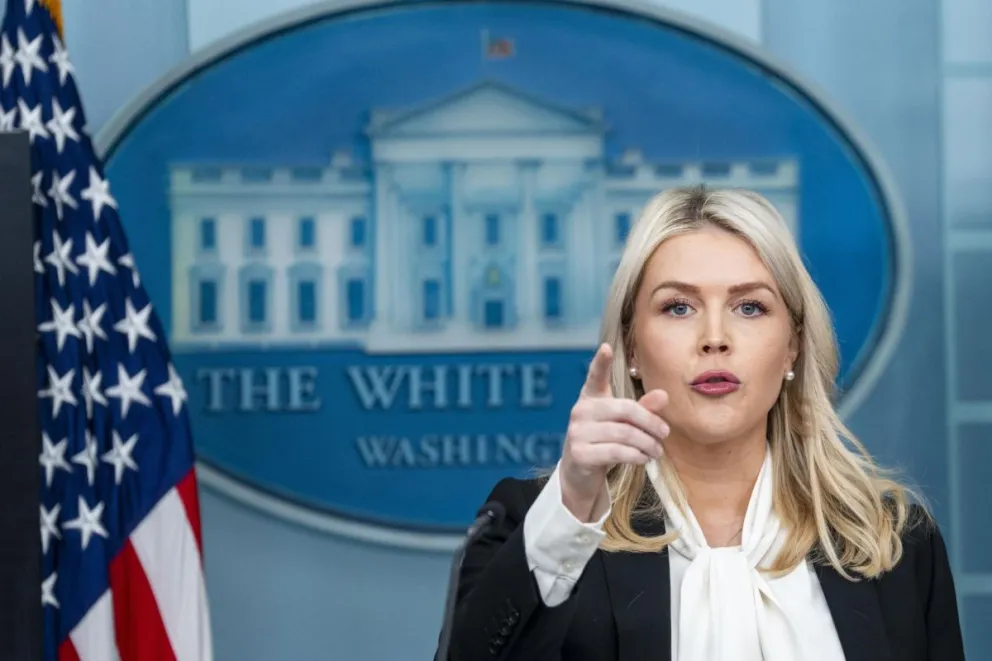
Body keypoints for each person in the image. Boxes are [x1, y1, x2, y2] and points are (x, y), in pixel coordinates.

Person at [438, 186, 965, 661]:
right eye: (679, 308)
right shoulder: (538, 525)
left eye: (750, 308)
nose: (715, 337)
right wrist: (573, 504)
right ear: (632, 348)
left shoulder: (893, 542)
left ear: (793, 347)